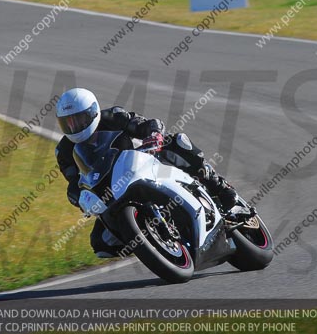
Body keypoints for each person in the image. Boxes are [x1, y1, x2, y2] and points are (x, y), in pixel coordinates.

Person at [55, 87, 239, 258]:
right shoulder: (63, 151)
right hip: (110, 192)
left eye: (79, 119)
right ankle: (150, 242)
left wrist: (153, 135)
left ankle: (218, 185)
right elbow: (74, 182)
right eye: (67, 123)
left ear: (93, 112)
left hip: (142, 165)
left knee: (177, 142)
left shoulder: (113, 117)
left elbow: (146, 124)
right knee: (100, 244)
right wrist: (78, 198)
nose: (74, 127)